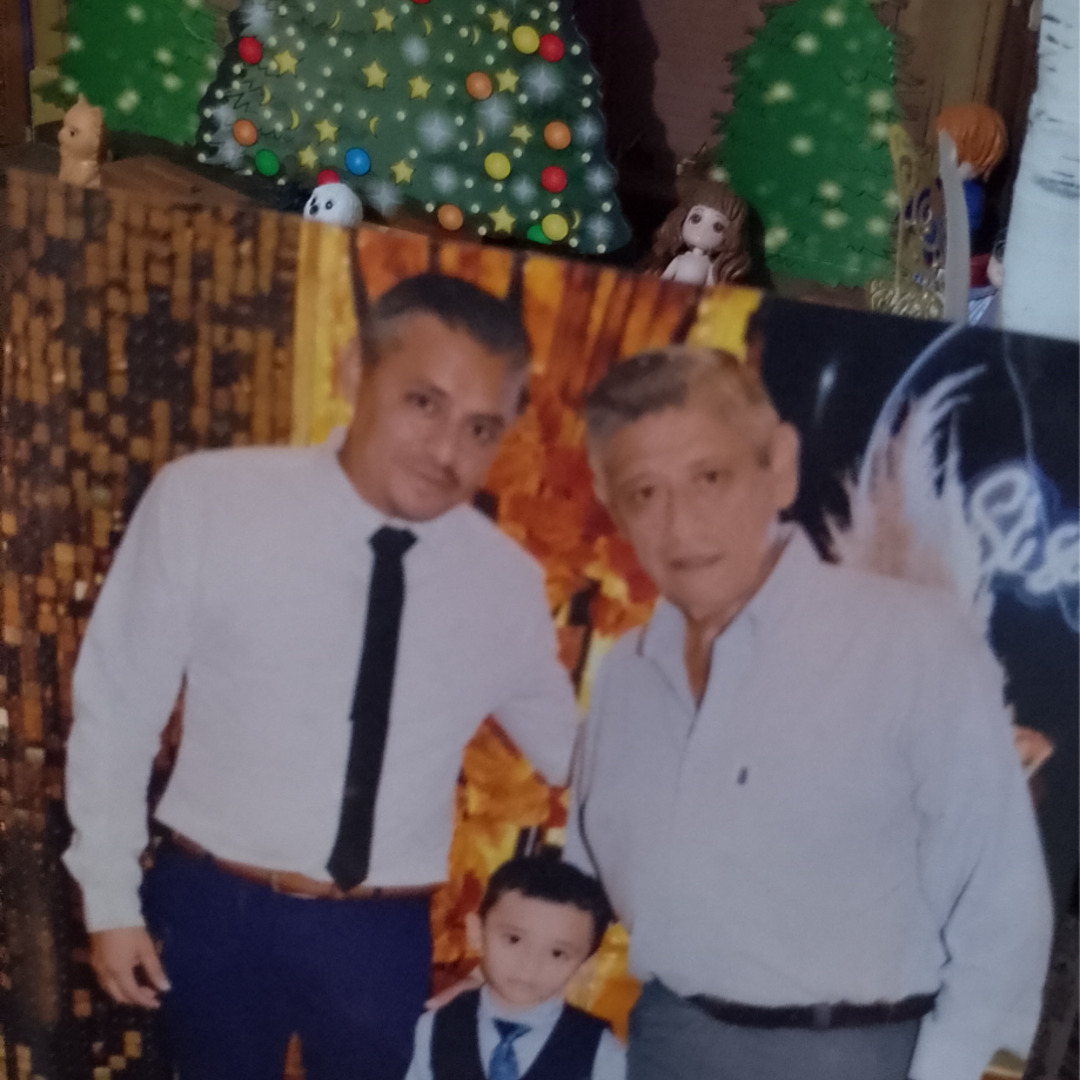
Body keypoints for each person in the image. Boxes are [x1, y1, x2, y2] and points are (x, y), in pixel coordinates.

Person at [62, 273, 580, 1080]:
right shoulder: (208, 501)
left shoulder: (504, 583)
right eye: (424, 403)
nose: (448, 452)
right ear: (353, 373)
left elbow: (580, 758)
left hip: (379, 935)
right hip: (214, 906)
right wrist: (108, 895)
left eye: (480, 428)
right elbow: (118, 703)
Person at [565, 345, 1053, 1080]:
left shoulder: (914, 640)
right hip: (666, 1039)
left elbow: (1002, 910)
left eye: (710, 478)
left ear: (780, 467)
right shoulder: (624, 676)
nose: (681, 525)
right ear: (612, 505)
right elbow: (580, 883)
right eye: (644, 493)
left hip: (853, 1054)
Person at [405, 855, 625, 1080]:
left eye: (557, 953)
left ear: (585, 963)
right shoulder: (436, 1027)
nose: (529, 965)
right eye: (513, 940)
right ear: (477, 933)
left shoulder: (602, 1051)